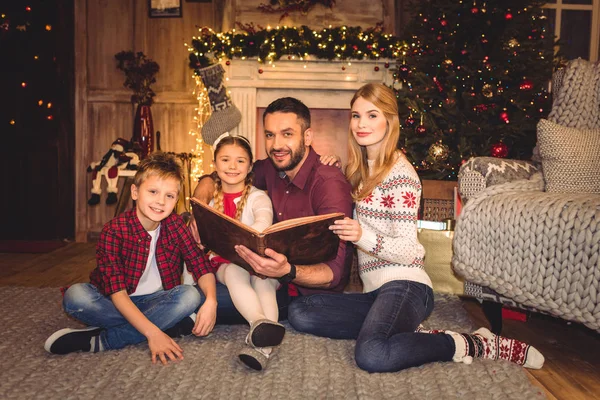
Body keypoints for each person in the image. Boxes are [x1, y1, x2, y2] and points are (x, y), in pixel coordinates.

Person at [287, 83, 545, 372]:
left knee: (372, 355)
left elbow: (410, 251)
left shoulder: (400, 174)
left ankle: (470, 343)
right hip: (375, 293)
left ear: (389, 120)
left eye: (372, 115)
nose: (361, 124)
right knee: (301, 311)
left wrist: (362, 235)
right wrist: (334, 165)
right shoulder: (360, 169)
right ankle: (405, 334)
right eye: (356, 115)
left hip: (406, 285)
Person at [191, 97, 354, 326]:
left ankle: (263, 326)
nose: (277, 145)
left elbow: (334, 273)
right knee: (203, 290)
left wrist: (286, 270)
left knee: (196, 301)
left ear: (307, 137)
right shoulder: (272, 166)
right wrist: (199, 209)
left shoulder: (328, 183)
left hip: (299, 290)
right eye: (270, 135)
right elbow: (223, 175)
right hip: (262, 273)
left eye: (287, 134)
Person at [45, 152, 218, 365]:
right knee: (76, 296)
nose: (160, 202)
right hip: (114, 301)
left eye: (170, 196)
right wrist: (154, 333)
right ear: (135, 192)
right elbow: (117, 293)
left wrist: (211, 300)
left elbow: (200, 265)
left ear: (176, 200)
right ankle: (167, 325)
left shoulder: (175, 226)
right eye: (153, 191)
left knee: (190, 296)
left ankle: (105, 339)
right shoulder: (114, 231)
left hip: (156, 301)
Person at [197, 135, 286, 371]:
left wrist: (243, 239)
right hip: (226, 262)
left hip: (258, 259)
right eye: (225, 160)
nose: (232, 166)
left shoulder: (257, 196)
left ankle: (263, 347)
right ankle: (258, 322)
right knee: (236, 271)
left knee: (264, 282)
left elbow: (263, 221)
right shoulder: (211, 201)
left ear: (249, 167)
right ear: (215, 165)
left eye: (240, 161)